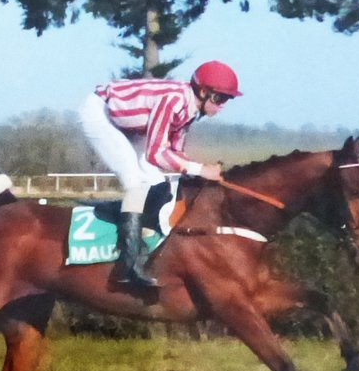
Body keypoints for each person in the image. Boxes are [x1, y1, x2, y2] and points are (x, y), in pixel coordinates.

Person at [78, 61, 241, 288]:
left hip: (126, 125)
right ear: (203, 92)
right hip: (100, 113)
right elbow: (156, 154)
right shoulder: (174, 101)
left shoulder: (189, 111)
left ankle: (130, 228)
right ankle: (129, 263)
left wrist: (199, 170)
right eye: (219, 98)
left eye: (226, 100)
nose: (222, 106)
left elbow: (175, 153)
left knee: (157, 182)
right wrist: (200, 170)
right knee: (135, 181)